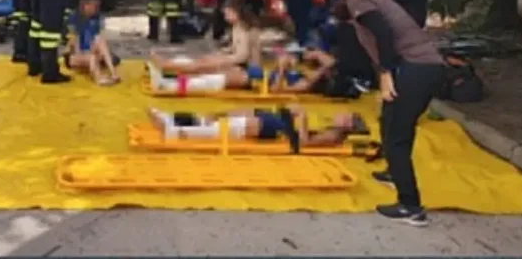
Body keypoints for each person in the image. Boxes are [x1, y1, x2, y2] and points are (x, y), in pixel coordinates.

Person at [340, 0, 445, 225]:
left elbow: (384, 34)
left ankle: (411, 206)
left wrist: (386, 76)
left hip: (416, 68)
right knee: (391, 120)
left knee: (395, 136)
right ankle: (394, 172)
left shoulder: (360, 0)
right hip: (425, 66)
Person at [146, 0, 264, 92]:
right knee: (204, 61)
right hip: (240, 65)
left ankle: (168, 70)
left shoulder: (245, 28)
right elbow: (235, 48)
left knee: (206, 67)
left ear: (237, 12)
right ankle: (169, 69)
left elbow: (243, 56)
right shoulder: (237, 26)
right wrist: (221, 54)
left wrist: (222, 60)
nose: (225, 17)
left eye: (228, 14)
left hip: (248, 72)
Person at [147, 105, 368, 149]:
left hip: (278, 133)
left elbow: (304, 142)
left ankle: (177, 131)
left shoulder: (333, 137)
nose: (340, 114)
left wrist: (302, 119)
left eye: (345, 116)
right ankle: (175, 120)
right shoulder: (332, 129)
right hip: (279, 124)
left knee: (232, 126)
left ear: (347, 124)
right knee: (230, 115)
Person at [63, 0, 121, 86]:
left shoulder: (95, 18)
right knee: (92, 58)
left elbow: (97, 38)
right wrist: (88, 52)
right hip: (75, 54)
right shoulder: (74, 19)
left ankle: (113, 72)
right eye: (93, 6)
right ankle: (99, 80)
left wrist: (97, 50)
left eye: (96, 6)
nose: (94, 8)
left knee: (100, 40)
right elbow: (72, 44)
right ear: (85, 5)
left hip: (90, 50)